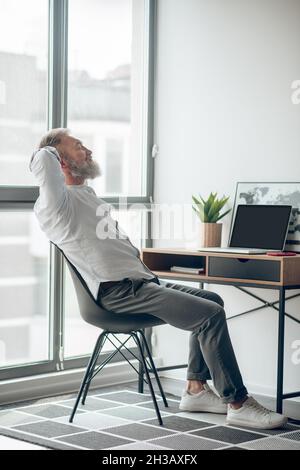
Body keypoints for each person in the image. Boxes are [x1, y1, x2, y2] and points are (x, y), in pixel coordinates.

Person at [30, 128, 288, 430]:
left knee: (212, 300)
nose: (88, 150)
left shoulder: (84, 195)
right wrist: (50, 150)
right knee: (210, 315)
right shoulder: (54, 205)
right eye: (78, 147)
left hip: (141, 283)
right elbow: (42, 160)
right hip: (119, 293)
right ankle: (239, 403)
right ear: (59, 161)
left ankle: (195, 390)